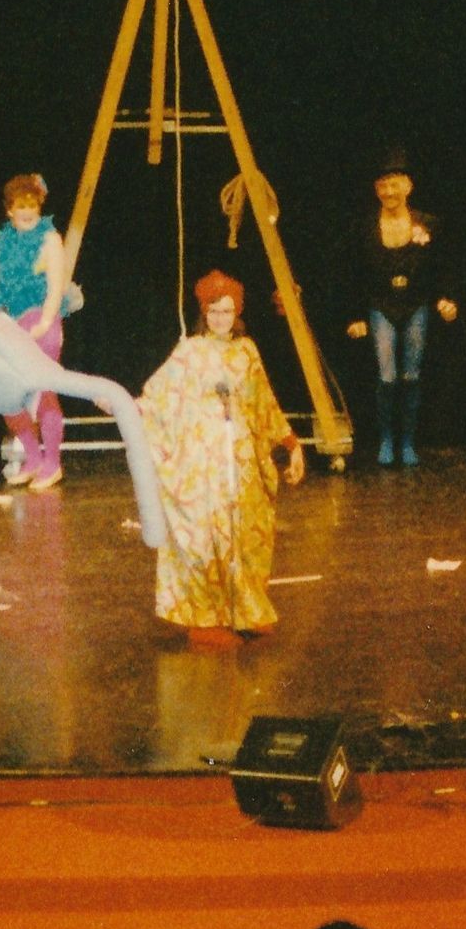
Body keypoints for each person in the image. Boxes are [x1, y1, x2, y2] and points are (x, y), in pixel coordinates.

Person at [138, 272, 305, 650]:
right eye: (213, 311)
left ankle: (245, 609)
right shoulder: (189, 352)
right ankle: (206, 619)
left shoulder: (247, 351)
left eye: (227, 311)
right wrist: (130, 408)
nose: (220, 318)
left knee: (242, 533)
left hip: (241, 462)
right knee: (205, 535)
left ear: (237, 312)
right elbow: (159, 394)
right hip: (202, 461)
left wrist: (290, 442)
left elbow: (263, 402)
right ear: (204, 312)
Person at [344, 152, 458, 467]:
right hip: (381, 306)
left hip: (415, 305)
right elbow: (353, 274)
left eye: (394, 185)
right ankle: (386, 439)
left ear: (408, 186)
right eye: (382, 186)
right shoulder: (365, 227)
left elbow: (442, 268)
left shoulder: (427, 224)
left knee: (411, 375)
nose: (389, 192)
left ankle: (407, 441)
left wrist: (446, 298)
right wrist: (354, 316)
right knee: (387, 376)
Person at [0, 172, 72, 490]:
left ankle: (52, 462)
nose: (27, 212)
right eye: (20, 206)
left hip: (42, 320)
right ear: (9, 210)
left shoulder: (50, 239)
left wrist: (45, 323)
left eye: (32, 205)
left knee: (44, 392)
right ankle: (33, 458)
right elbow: (1, 291)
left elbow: (56, 286)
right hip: (14, 324)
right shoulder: (5, 241)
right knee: (6, 396)